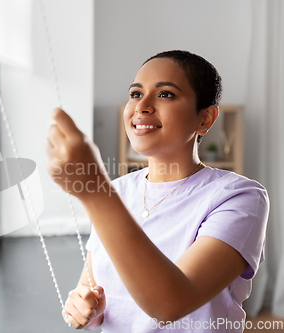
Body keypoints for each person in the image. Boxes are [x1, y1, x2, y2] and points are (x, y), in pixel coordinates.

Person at [45, 50, 269, 332]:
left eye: (165, 95)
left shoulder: (239, 197)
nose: (142, 106)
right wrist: (83, 308)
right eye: (136, 94)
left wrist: (94, 189)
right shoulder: (117, 191)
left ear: (206, 119)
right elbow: (91, 292)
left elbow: (170, 304)